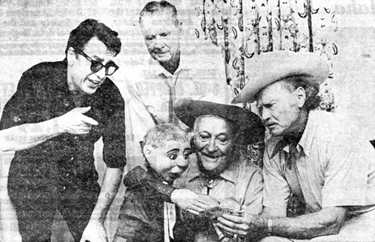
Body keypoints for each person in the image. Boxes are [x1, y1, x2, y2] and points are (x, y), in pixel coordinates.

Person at [217, 51, 375, 241]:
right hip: (318, 229)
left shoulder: (339, 135)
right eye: (260, 108)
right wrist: (239, 227)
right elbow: (274, 214)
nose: (264, 116)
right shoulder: (273, 146)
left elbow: (332, 221)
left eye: (270, 105)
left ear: (299, 97)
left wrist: (261, 224)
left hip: (363, 227)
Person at [0, 19, 126, 242]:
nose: (101, 75)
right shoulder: (37, 78)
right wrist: (60, 124)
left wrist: (96, 221)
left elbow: (115, 164)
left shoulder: (111, 95)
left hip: (79, 179)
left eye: (108, 66)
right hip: (32, 180)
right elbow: (4, 140)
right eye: (95, 63)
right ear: (71, 55)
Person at [123, 0, 233, 170]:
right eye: (150, 38)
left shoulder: (207, 58)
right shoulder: (135, 75)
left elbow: (217, 121)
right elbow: (144, 137)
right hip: (164, 162)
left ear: (180, 28)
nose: (157, 44)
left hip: (207, 154)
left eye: (164, 34)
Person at [167, 98, 264, 242]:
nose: (211, 147)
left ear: (234, 142)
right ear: (193, 137)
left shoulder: (251, 176)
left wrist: (217, 211)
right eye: (204, 137)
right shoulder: (179, 167)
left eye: (222, 139)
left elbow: (252, 232)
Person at [113, 123, 213, 242]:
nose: (183, 163)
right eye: (172, 156)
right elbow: (124, 236)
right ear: (148, 152)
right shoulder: (140, 190)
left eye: (186, 155)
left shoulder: (181, 186)